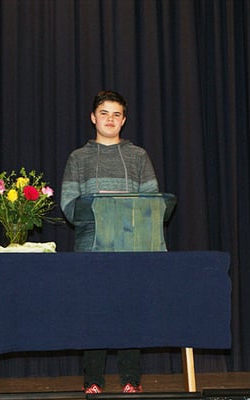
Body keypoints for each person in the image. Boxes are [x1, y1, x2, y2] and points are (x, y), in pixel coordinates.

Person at [60, 90, 159, 394]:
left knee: (130, 312)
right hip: (92, 247)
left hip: (132, 246)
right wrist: (99, 207)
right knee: (94, 313)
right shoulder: (78, 158)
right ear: (93, 117)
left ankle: (132, 379)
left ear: (124, 120)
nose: (110, 119)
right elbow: (68, 205)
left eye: (117, 114)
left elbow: (153, 202)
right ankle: (93, 381)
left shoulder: (138, 156)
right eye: (104, 113)